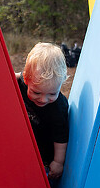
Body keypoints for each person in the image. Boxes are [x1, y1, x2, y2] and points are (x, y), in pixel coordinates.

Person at [17, 43, 69, 180]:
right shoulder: (21, 81)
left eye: (52, 94)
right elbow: (9, 76)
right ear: (26, 78)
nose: (43, 99)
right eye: (36, 92)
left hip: (43, 154)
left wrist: (58, 162)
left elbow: (61, 137)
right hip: (22, 146)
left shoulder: (59, 107)